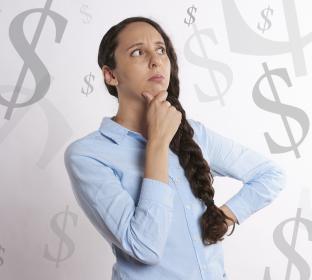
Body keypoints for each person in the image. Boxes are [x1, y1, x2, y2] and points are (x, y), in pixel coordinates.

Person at [64, 16, 287, 280]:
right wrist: (157, 143)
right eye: (138, 52)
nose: (155, 60)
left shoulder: (194, 134)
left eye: (161, 50)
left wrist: (222, 218)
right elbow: (145, 247)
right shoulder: (88, 155)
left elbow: (270, 175)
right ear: (110, 75)